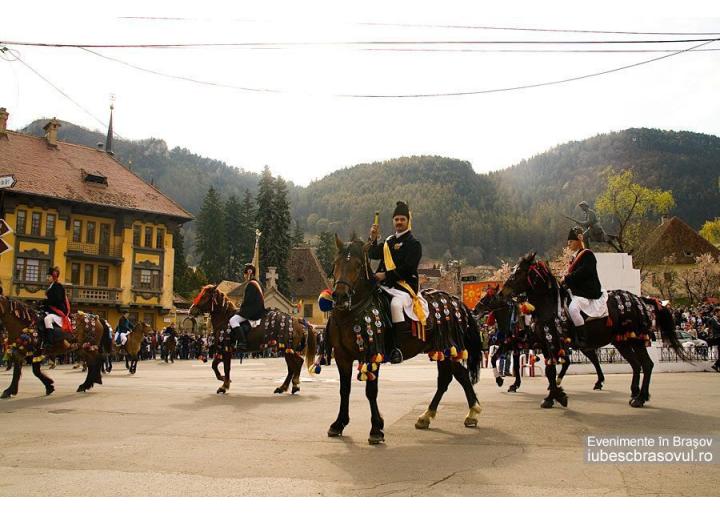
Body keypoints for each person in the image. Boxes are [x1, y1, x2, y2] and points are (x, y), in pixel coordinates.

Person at [368, 201, 425, 364]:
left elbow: (408, 268)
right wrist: (373, 238)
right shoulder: (388, 242)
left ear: (408, 221)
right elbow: (372, 253)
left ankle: (397, 347)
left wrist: (385, 275)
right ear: (393, 221)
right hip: (385, 286)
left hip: (404, 286)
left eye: (402, 219)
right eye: (396, 219)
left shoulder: (414, 244)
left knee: (395, 305)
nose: (399, 222)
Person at [561, 227, 607, 346]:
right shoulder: (574, 258)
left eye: (571, 241)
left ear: (578, 241)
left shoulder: (588, 254)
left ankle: (582, 338)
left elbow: (584, 272)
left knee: (573, 309)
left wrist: (567, 278)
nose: (569, 244)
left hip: (587, 292)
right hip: (577, 291)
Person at [228, 263, 265, 352]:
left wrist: (240, 310)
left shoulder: (250, 284)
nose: (244, 276)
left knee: (233, 320)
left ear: (247, 274)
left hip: (252, 312)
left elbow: (247, 301)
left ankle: (242, 342)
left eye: (245, 274)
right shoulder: (258, 283)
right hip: (258, 310)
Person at [41, 266, 71, 351]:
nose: (47, 278)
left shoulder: (58, 286)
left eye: (49, 276)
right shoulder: (51, 286)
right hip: (51, 311)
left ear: (53, 277)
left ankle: (50, 343)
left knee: (47, 319)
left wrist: (45, 302)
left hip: (59, 312)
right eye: (47, 276)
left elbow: (57, 300)